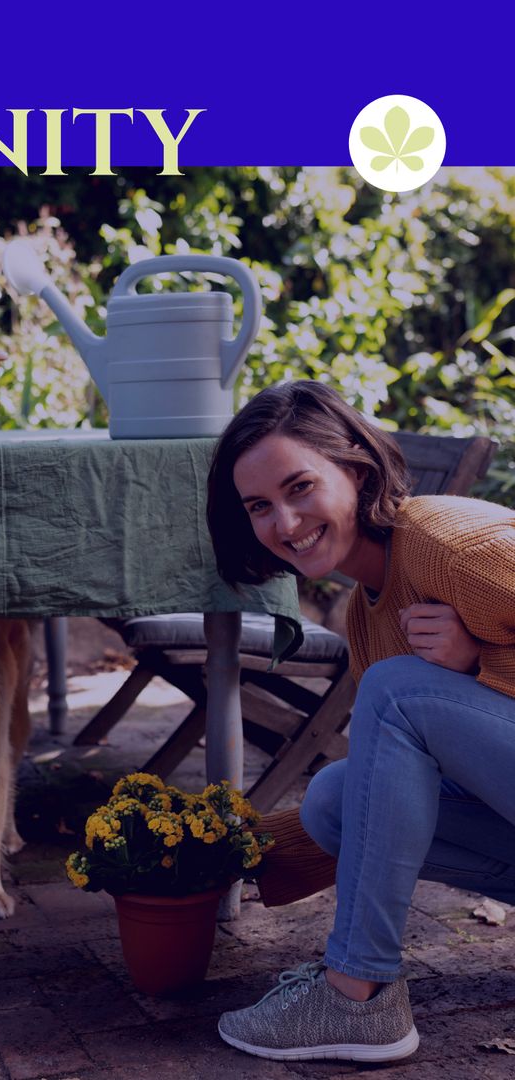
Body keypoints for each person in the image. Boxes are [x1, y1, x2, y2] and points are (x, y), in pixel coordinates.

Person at [206, 381, 515, 1063]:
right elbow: (387, 796)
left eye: (300, 487)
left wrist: (484, 660)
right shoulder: (367, 616)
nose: (285, 523)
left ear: (357, 469)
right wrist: (225, 852)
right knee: (334, 800)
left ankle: (356, 996)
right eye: (260, 506)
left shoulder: (448, 545)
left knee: (396, 692)